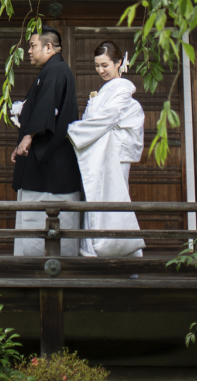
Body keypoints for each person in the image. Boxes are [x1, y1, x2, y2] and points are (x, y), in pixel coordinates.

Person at [67, 39, 145, 258]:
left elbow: (104, 120)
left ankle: (120, 252)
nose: (101, 70)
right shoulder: (107, 91)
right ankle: (94, 251)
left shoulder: (121, 90)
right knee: (95, 199)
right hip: (101, 153)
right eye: (97, 66)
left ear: (119, 63)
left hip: (114, 155)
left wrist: (73, 130)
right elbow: (99, 122)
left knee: (113, 201)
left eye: (105, 65)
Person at [10, 27, 82, 257]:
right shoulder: (53, 71)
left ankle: (43, 267)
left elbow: (46, 110)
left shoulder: (56, 71)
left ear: (48, 47)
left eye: (32, 46)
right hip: (47, 163)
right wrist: (23, 140)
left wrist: (29, 136)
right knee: (36, 218)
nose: (28, 51)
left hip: (50, 167)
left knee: (43, 218)